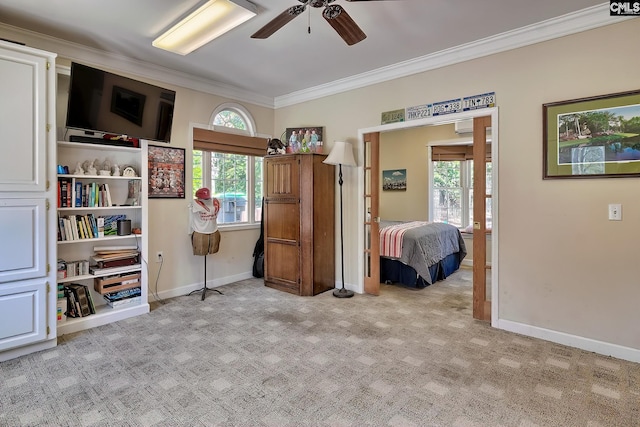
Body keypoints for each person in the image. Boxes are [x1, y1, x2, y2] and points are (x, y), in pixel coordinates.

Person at [190, 187, 221, 255]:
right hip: (200, 232)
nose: (206, 200)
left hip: (214, 232)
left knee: (213, 251)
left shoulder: (216, 202)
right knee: (201, 252)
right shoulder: (195, 203)